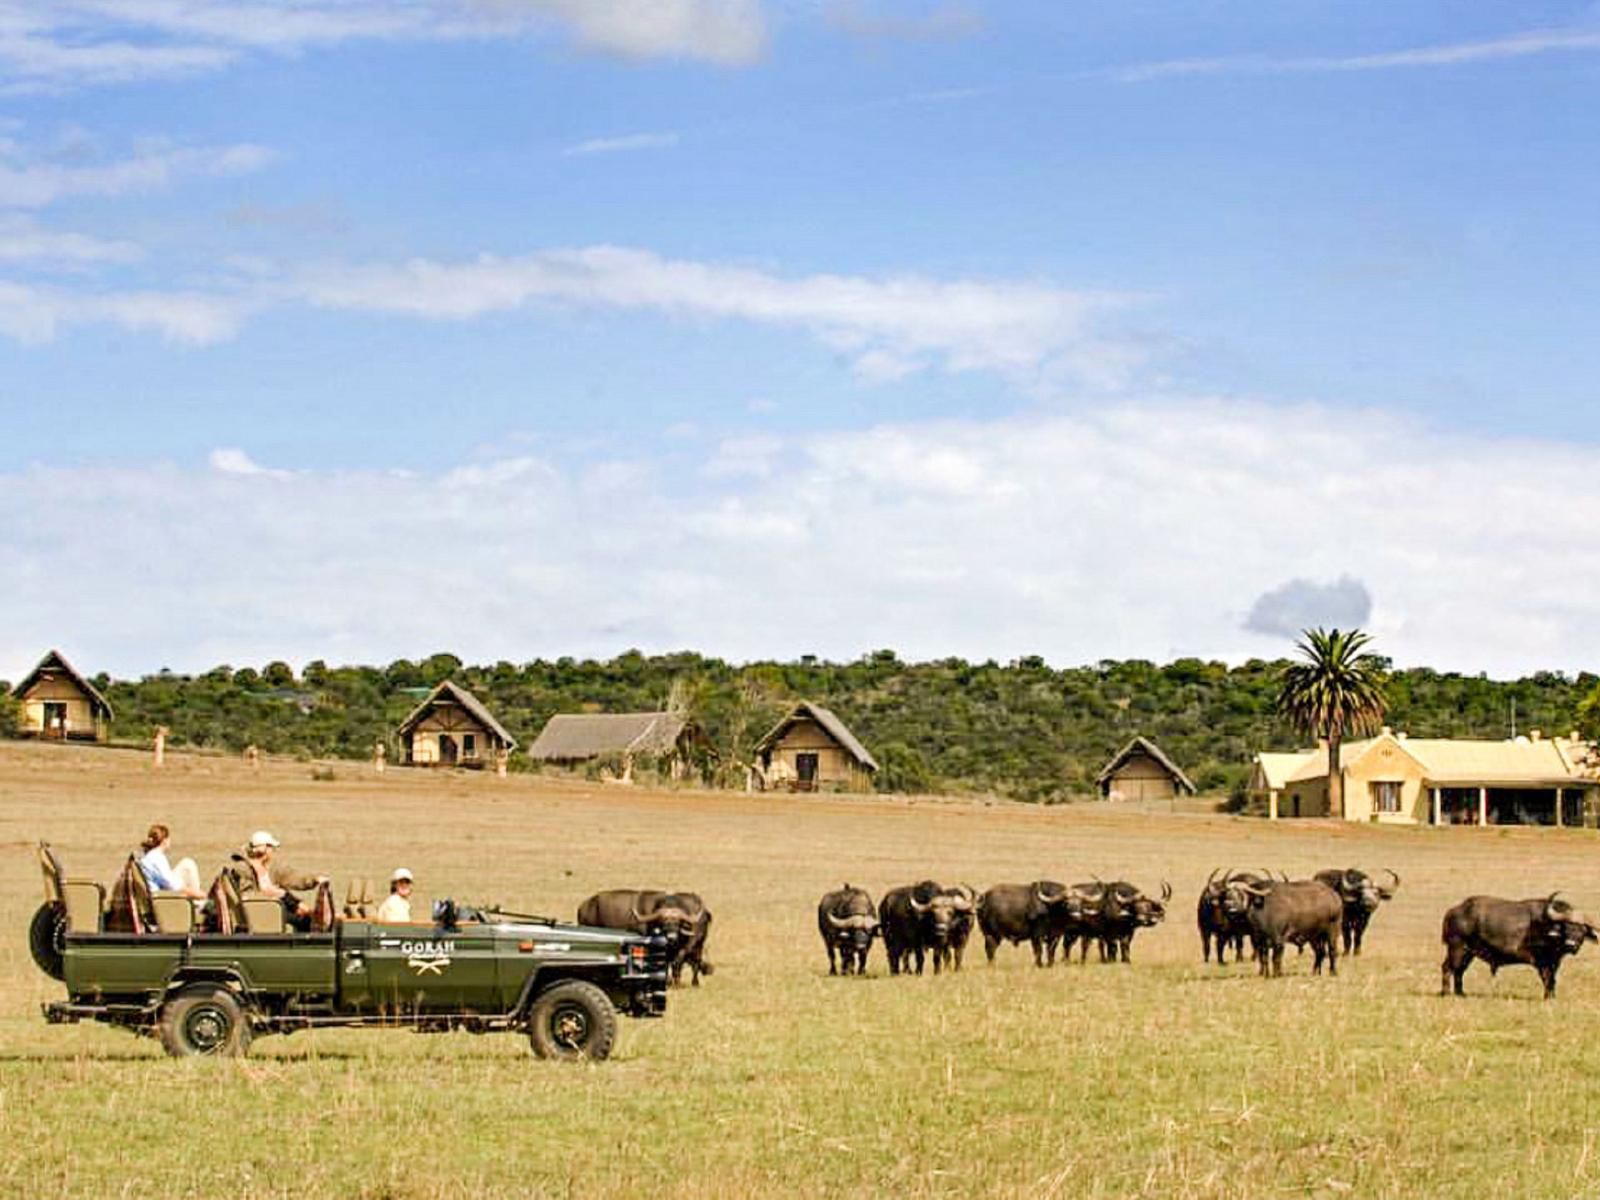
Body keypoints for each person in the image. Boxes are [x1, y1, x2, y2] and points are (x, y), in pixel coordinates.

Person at [229, 831, 328, 926]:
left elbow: (294, 879)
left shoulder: (271, 869)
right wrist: (286, 898)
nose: (273, 851)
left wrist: (314, 880)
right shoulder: (242, 869)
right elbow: (250, 896)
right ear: (265, 849)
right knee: (305, 920)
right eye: (272, 848)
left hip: (269, 910)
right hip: (255, 914)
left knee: (304, 915)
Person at [138, 824, 205, 898]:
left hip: (157, 891)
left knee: (187, 864)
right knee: (189, 865)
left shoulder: (149, 856)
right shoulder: (157, 858)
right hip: (161, 898)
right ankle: (198, 903)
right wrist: (198, 894)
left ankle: (197, 899)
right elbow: (173, 886)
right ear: (164, 841)